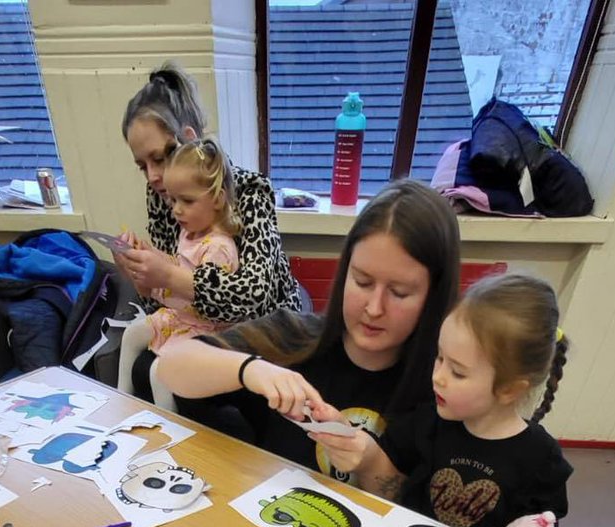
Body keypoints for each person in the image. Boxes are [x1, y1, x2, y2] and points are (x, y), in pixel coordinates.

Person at [155, 178, 461, 478]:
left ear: (433, 296)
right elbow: (171, 366)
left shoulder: (444, 388)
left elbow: (422, 514)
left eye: (399, 293)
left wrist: (369, 462)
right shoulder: (292, 335)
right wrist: (250, 370)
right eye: (362, 282)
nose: (374, 308)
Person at [308, 272, 574, 527]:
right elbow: (385, 485)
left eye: (458, 372)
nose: (438, 377)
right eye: (439, 357)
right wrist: (352, 442)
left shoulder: (541, 460)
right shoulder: (425, 422)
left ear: (509, 389)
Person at [117, 63, 302, 398]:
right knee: (146, 358)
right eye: (142, 165)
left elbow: (254, 298)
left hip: (262, 323)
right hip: (194, 316)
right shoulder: (162, 194)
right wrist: (141, 275)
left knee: (170, 375)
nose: (153, 176)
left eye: (160, 158)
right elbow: (170, 275)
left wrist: (169, 278)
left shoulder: (252, 191)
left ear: (189, 140)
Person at [116, 138, 241, 411]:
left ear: (218, 200)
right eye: (173, 200)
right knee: (132, 334)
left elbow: (207, 304)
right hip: (181, 317)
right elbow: (177, 266)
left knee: (160, 372)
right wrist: (149, 257)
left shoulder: (219, 248)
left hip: (204, 327)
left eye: (187, 200)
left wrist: (161, 280)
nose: (176, 209)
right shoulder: (190, 232)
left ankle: (170, 427)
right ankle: (121, 403)